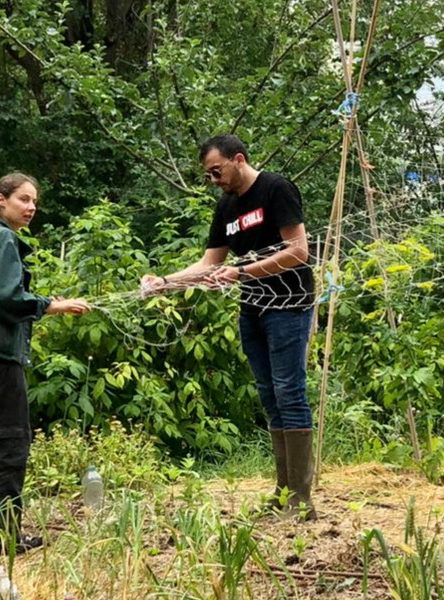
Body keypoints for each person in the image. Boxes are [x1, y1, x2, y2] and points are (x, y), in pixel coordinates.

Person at [141, 135, 318, 518]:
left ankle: (301, 500)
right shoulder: (226, 206)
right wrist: (165, 282)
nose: (213, 180)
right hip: (252, 309)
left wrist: (241, 272)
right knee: (269, 395)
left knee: (289, 392)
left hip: (288, 305)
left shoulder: (276, 189)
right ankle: (283, 493)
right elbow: (210, 264)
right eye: (208, 174)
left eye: (216, 171)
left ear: (238, 159)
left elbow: (298, 251)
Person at [0, 173, 92, 555]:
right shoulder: (2, 239)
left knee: (7, 443)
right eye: (23, 199)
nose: (31, 207)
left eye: (34, 201)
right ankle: (0, 540)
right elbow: (7, 298)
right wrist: (52, 305)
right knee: (11, 444)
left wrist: (46, 303)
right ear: (1, 199)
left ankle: (0, 535)